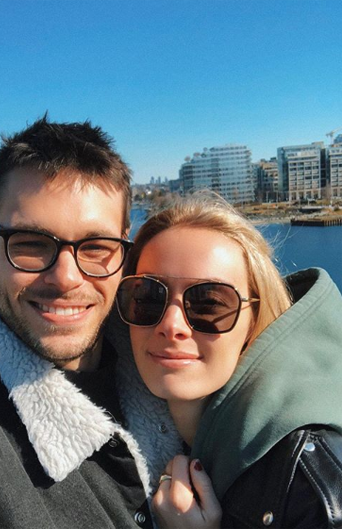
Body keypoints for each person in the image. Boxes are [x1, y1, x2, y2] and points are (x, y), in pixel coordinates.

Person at [0, 116, 184, 529]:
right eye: (31, 243)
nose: (66, 277)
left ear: (123, 253)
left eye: (96, 246)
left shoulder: (177, 374)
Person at [116, 191, 342, 528]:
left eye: (209, 303)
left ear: (254, 320)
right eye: (147, 297)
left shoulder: (311, 486)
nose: (171, 326)